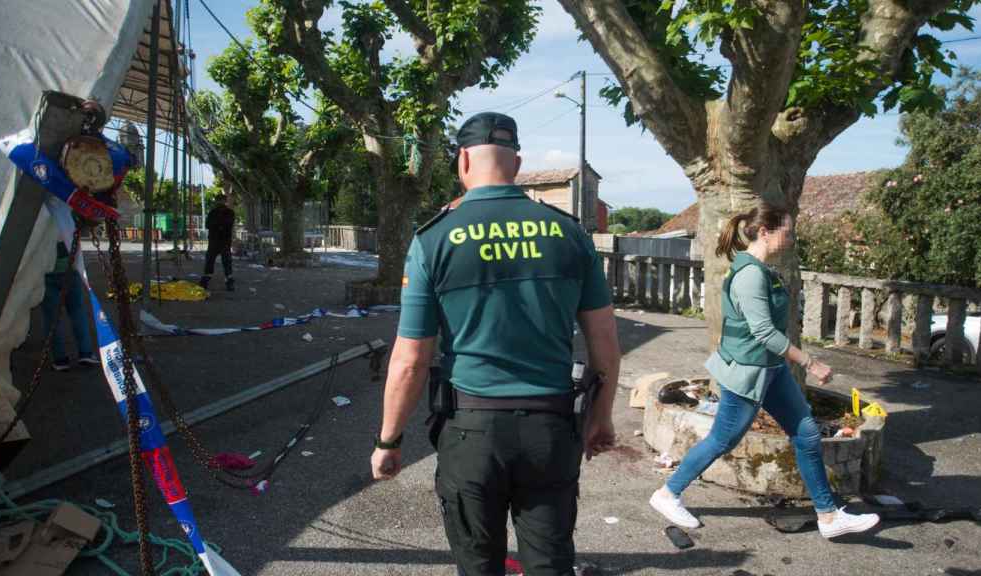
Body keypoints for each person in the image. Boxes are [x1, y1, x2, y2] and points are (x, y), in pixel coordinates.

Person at [370, 112, 621, 575]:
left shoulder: (434, 239)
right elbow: (604, 342)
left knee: (479, 564)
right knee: (550, 563)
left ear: (462, 160)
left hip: (471, 433)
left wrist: (389, 440)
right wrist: (600, 419)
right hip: (550, 427)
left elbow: (411, 360)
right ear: (518, 162)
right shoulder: (569, 233)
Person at [648, 204, 880, 539]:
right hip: (746, 373)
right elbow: (764, 333)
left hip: (771, 370)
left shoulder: (763, 269)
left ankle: (829, 517)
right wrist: (810, 362)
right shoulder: (750, 275)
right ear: (764, 232)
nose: (792, 235)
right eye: (787, 230)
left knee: (807, 434)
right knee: (722, 440)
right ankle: (668, 494)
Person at [41, 240, 98, 371]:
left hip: (47, 272)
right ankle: (85, 352)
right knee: (77, 312)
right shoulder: (67, 219)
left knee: (51, 317)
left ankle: (60, 359)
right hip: (70, 269)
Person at [200, 195, 235, 291]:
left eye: (221, 200)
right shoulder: (214, 212)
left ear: (224, 201)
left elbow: (227, 224)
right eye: (218, 200)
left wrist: (217, 225)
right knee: (212, 260)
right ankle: (207, 279)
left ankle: (229, 280)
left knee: (225, 261)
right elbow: (208, 225)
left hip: (221, 240)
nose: (219, 202)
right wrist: (220, 225)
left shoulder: (228, 212)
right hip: (217, 240)